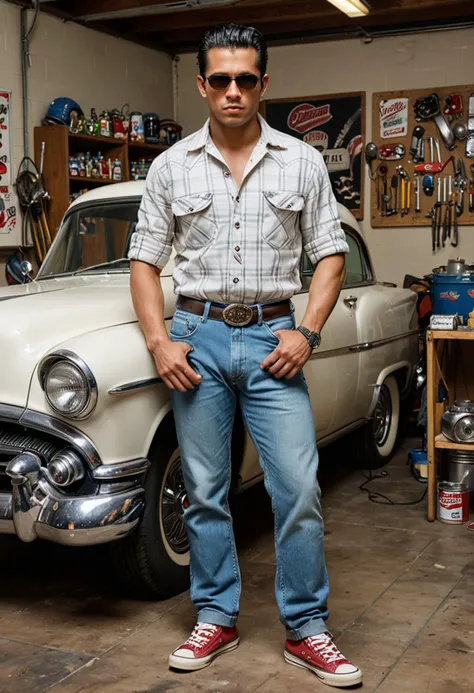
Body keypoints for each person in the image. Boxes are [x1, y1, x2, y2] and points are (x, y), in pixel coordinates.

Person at [128, 23, 362, 689]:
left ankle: (307, 628)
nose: (233, 91)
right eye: (221, 79)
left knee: (297, 488)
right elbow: (144, 264)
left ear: (265, 84)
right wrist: (160, 341)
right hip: (196, 340)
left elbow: (331, 255)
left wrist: (307, 332)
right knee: (203, 490)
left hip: (271, 343)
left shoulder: (301, 161)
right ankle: (217, 614)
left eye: (246, 79)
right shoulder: (171, 166)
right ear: (202, 84)